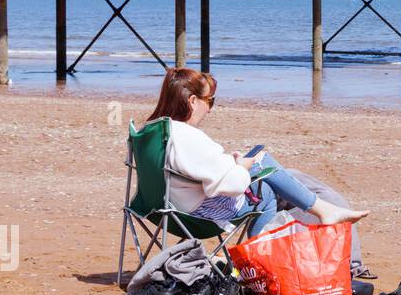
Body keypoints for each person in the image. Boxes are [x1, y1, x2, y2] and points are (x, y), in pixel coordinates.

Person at [147, 67, 368, 238]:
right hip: (196, 216)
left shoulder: (152, 131)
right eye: (209, 101)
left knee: (257, 164)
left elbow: (191, 168)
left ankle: (323, 209)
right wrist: (241, 167)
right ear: (193, 101)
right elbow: (230, 186)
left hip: (161, 208)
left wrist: (231, 164)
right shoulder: (190, 137)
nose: (210, 108)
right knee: (264, 188)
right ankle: (259, 262)